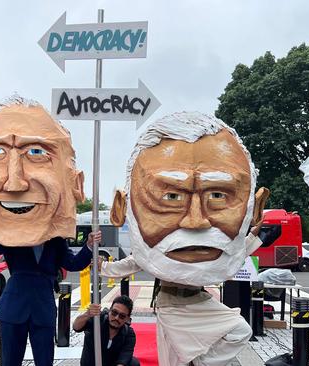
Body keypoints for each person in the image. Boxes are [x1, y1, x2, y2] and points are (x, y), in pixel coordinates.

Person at [99, 112, 269, 366]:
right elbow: (131, 264)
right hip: (171, 305)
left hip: (200, 300)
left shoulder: (223, 238)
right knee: (174, 359)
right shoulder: (154, 253)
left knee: (239, 330)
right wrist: (101, 266)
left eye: (218, 195)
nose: (195, 221)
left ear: (253, 209)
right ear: (122, 209)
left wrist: (256, 236)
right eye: (171, 197)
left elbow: (235, 252)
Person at [0, 96, 97, 366]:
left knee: (45, 360)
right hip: (13, 307)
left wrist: (90, 245)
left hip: (43, 308)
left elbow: (74, 262)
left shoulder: (55, 241)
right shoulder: (12, 236)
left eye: (35, 152)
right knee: (10, 361)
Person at [74, 296, 139, 366]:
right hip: (90, 363)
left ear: (127, 319)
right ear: (109, 310)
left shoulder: (129, 334)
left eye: (122, 316)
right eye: (114, 312)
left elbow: (125, 356)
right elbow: (76, 327)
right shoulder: (97, 320)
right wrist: (87, 314)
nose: (116, 318)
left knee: (134, 363)